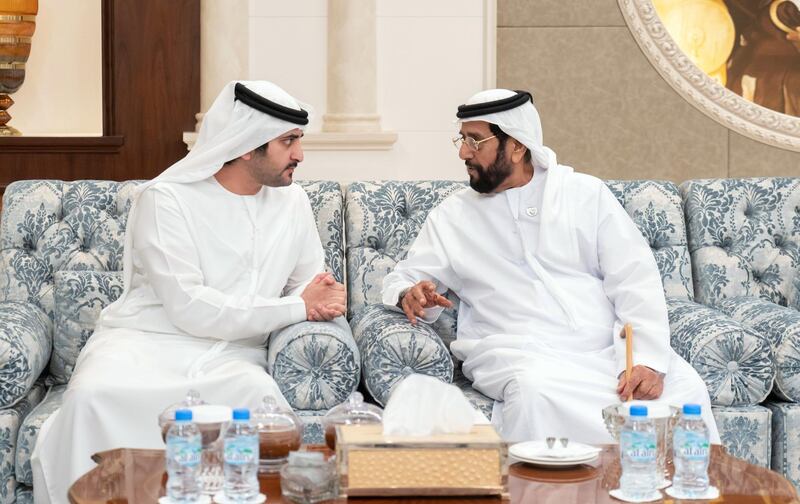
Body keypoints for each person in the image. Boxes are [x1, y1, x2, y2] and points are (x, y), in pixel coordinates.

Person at [31, 81, 347, 503]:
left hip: (234, 354)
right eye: (288, 141)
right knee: (92, 396)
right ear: (247, 145)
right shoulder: (166, 201)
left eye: (299, 141)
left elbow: (311, 286)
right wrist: (298, 306)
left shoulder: (294, 204)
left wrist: (317, 298)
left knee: (261, 399)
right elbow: (190, 308)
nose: (300, 155)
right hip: (145, 343)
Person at [382, 89, 720, 444]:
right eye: (462, 139)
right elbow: (407, 277)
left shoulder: (584, 195)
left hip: (603, 352)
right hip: (517, 352)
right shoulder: (453, 215)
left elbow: (634, 278)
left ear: (516, 145)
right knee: (535, 393)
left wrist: (647, 360)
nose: (464, 152)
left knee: (686, 390)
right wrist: (411, 294)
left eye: (475, 141)